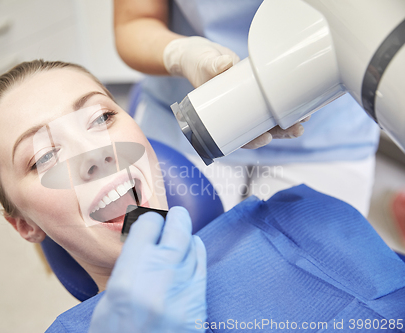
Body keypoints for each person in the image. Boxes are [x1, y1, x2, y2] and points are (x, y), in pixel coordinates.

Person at [0, 60, 404, 333]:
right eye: (44, 156)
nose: (95, 155)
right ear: (24, 223)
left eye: (102, 117)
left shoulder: (299, 218)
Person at [113, 0, 380, 216]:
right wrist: (182, 54)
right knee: (152, 247)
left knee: (311, 273)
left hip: (330, 130)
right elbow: (134, 20)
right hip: (190, 114)